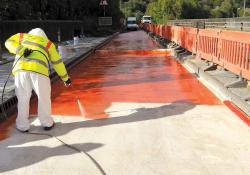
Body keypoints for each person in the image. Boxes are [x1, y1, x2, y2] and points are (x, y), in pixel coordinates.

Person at [5, 28, 71, 132]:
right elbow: (57, 62)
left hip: (20, 70)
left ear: (30, 33)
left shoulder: (22, 36)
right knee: (43, 98)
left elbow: (8, 42)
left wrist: (19, 49)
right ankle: (47, 123)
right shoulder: (48, 44)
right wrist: (65, 78)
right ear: (44, 36)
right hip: (39, 72)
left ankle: (22, 126)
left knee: (22, 98)